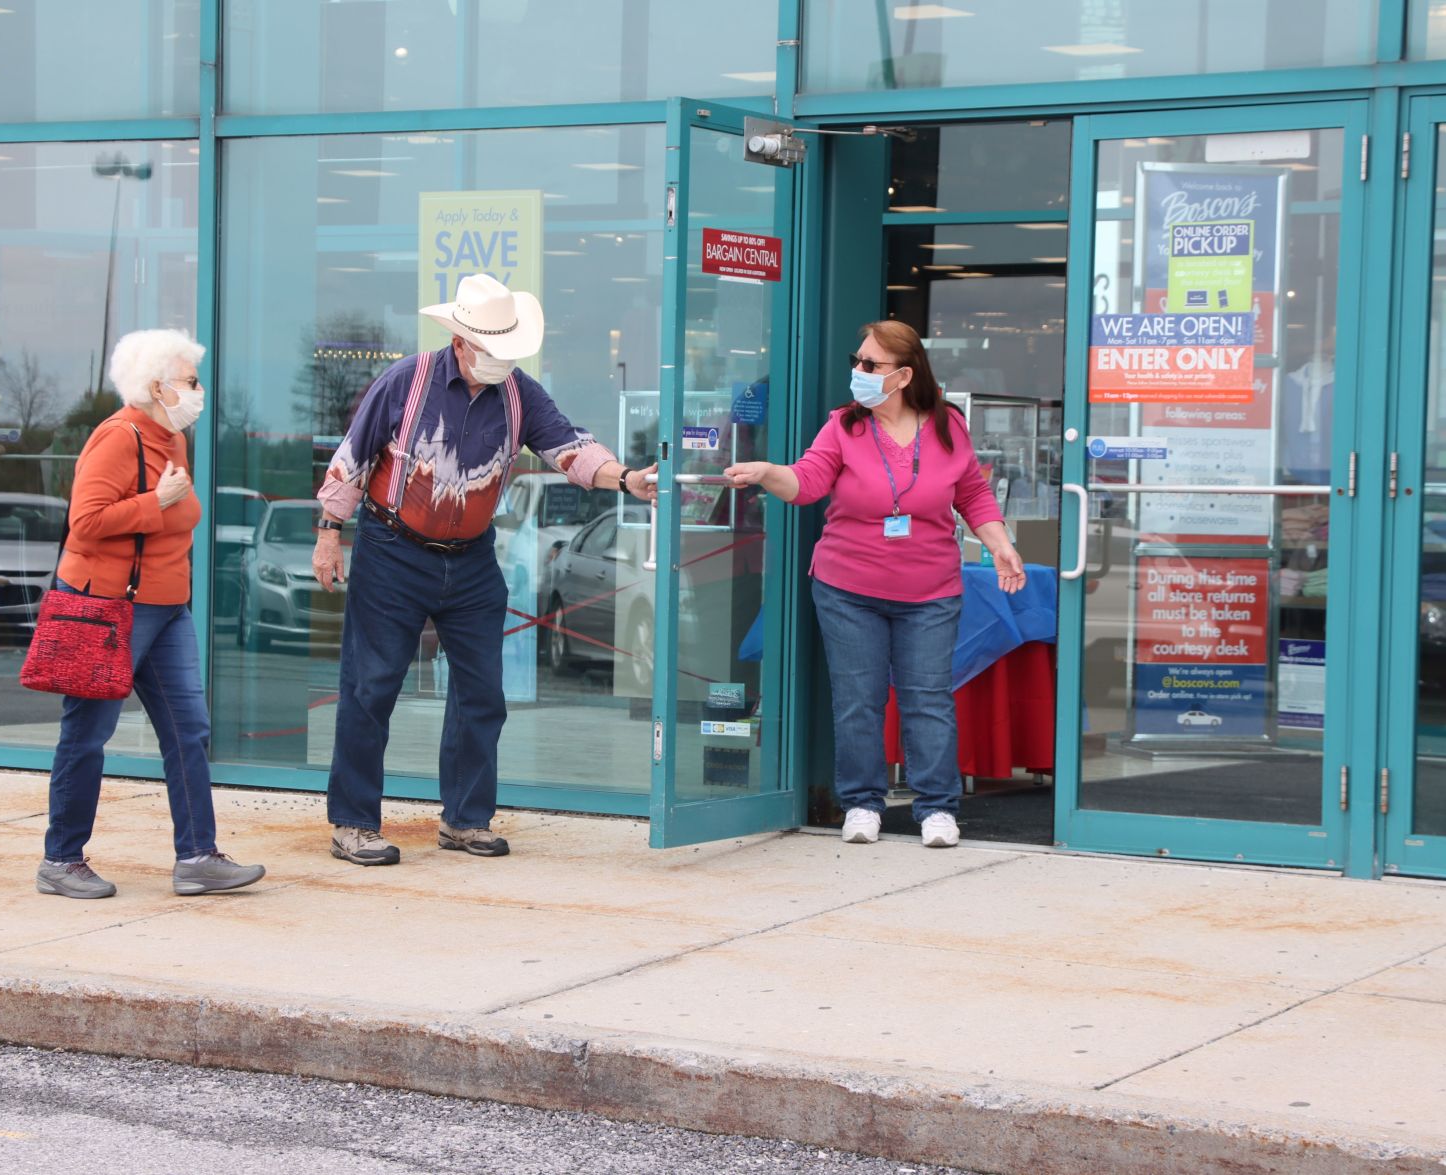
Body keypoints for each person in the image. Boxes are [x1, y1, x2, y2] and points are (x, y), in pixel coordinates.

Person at [313, 274, 657, 866]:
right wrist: (327, 536)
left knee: (482, 693)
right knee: (370, 687)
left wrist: (625, 477)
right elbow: (353, 457)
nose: (503, 361)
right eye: (493, 349)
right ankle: (353, 823)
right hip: (392, 550)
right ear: (461, 342)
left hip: (471, 560)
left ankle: (466, 820)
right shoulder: (405, 381)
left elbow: (569, 447)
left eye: (509, 350)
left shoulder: (521, 394)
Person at [725, 320, 1025, 848]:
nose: (857, 372)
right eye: (856, 360)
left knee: (927, 699)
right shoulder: (844, 426)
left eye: (870, 365)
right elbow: (808, 481)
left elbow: (972, 493)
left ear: (904, 375)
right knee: (858, 700)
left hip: (930, 590)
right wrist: (769, 471)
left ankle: (937, 808)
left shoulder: (948, 425)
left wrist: (1000, 543)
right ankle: (862, 804)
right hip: (847, 588)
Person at [36, 328, 265, 899]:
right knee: (88, 733)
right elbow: (84, 523)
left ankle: (198, 856)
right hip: (108, 608)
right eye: (190, 380)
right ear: (157, 386)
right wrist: (154, 503)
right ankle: (61, 860)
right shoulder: (118, 437)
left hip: (166, 610)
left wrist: (163, 508)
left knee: (189, 730)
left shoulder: (171, 438)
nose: (199, 390)